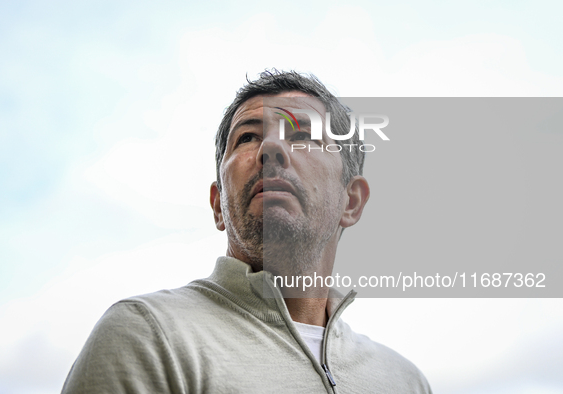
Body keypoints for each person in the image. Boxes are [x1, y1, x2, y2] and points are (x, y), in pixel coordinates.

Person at [61, 70, 432, 393]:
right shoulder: (146, 335)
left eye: (302, 135)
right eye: (247, 137)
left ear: (351, 202)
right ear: (218, 203)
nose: (271, 147)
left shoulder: (406, 382)